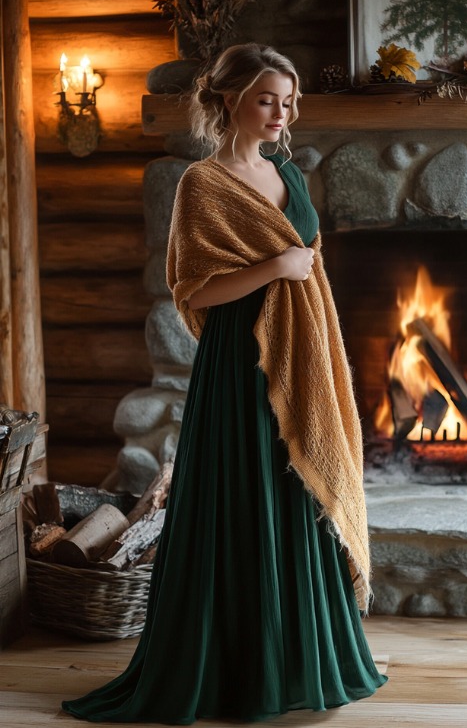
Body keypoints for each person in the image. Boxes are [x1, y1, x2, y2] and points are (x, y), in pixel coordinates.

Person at [62, 42, 387, 725]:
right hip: (237, 371)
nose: (280, 112)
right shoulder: (201, 185)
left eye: (288, 100)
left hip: (297, 361)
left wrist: (296, 270)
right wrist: (278, 269)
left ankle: (306, 660)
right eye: (267, 98)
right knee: (242, 503)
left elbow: (307, 260)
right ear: (231, 99)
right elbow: (196, 290)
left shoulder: (287, 173)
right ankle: (234, 670)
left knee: (295, 497)